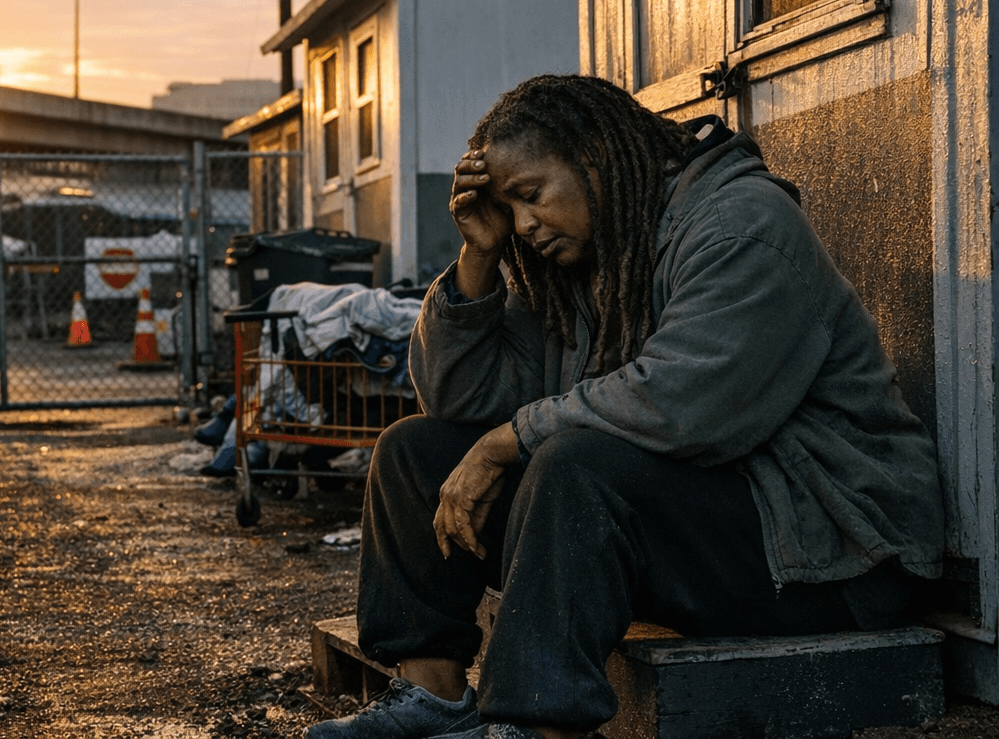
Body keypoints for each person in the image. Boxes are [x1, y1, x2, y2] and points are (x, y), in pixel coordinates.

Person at [308, 75, 944, 739]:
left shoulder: (742, 223)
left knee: (575, 460)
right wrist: (479, 255)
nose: (525, 223)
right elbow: (460, 399)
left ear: (596, 158)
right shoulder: (583, 265)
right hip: (713, 534)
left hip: (834, 551)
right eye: (511, 209)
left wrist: (508, 441)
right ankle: (432, 695)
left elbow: (687, 406)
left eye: (531, 196)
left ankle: (533, 725)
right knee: (416, 451)